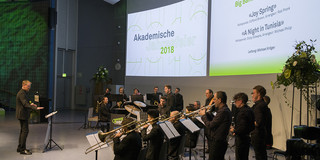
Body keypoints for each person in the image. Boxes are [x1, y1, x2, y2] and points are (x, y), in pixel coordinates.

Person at [199, 91, 232, 160]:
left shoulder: (223, 111)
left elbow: (210, 125)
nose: (213, 101)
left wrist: (204, 115)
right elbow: (215, 121)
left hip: (218, 142)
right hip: (218, 141)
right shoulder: (223, 110)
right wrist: (207, 113)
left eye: (214, 99)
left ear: (219, 100)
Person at [16, 80, 44, 155]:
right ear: (24, 85)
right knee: (25, 131)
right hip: (22, 115)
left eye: (29, 86)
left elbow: (26, 102)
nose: (29, 88)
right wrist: (35, 108)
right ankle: (22, 149)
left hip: (22, 114)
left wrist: (32, 104)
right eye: (28, 86)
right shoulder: (22, 93)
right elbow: (25, 104)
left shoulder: (23, 92)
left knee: (23, 131)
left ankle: (19, 147)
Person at [230, 93, 255, 160]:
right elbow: (252, 126)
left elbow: (242, 128)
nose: (235, 103)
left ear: (240, 101)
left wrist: (234, 130)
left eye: (235, 101)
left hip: (241, 139)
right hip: (247, 137)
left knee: (240, 157)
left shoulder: (242, 112)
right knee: (244, 156)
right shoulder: (249, 109)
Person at [251, 85, 268, 160]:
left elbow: (258, 122)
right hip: (259, 134)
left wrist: (248, 123)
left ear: (259, 94)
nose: (252, 95)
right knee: (260, 154)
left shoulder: (260, 106)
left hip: (258, 135)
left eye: (254, 93)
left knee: (260, 155)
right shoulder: (260, 105)